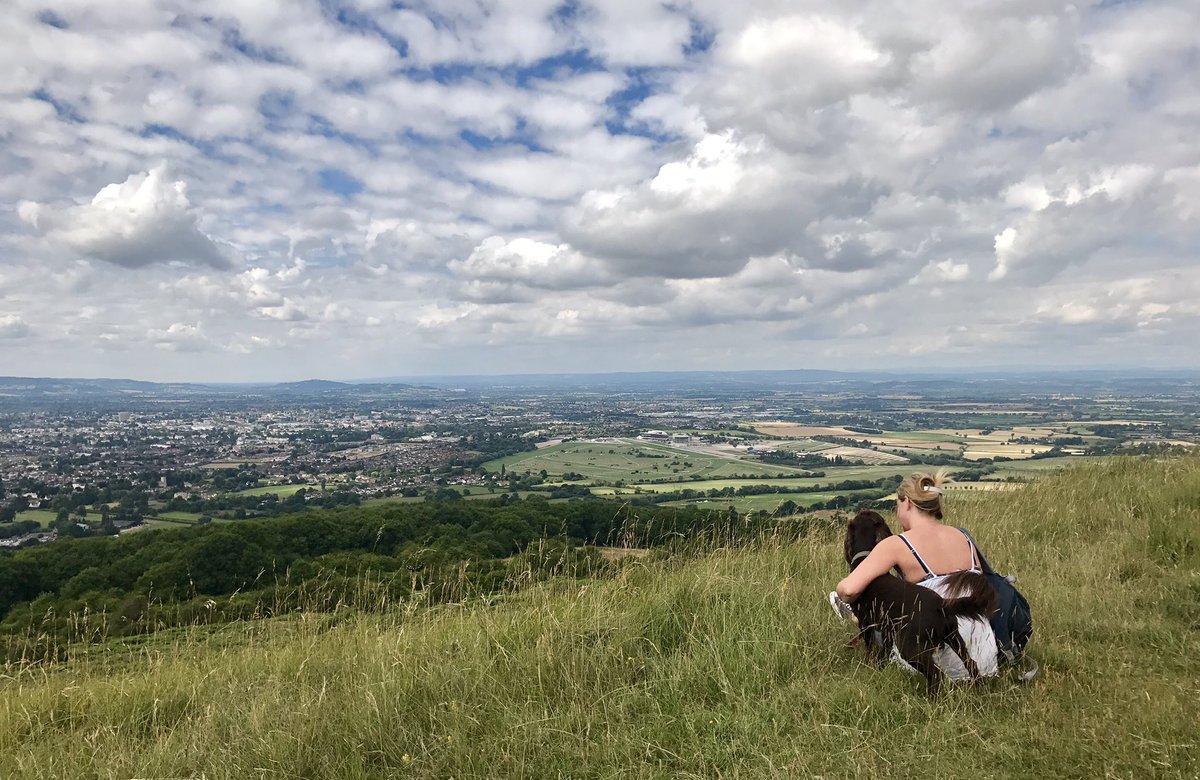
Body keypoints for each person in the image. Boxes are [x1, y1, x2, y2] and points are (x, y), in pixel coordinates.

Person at [833, 470, 999, 680]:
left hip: (930, 656)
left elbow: (849, 589)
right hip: (984, 656)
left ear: (907, 503)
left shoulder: (897, 544)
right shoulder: (963, 537)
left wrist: (839, 593)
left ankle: (856, 620)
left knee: (861, 601)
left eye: (897, 505)